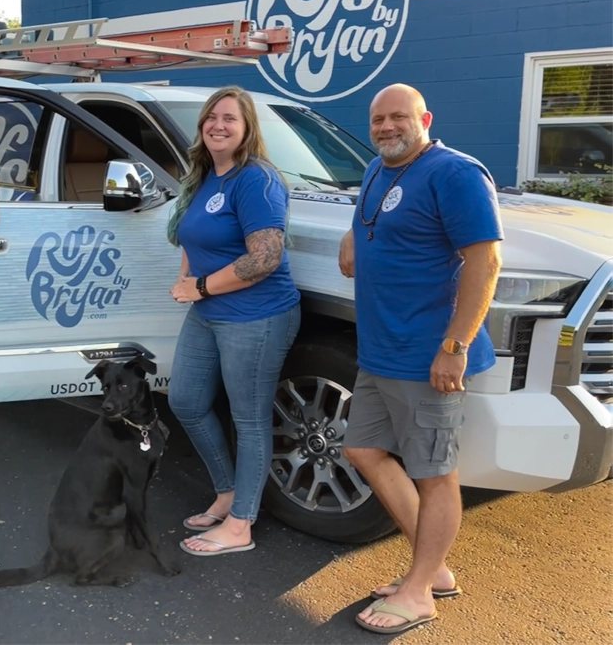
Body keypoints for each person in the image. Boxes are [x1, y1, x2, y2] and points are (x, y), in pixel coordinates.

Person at [339, 84, 503, 635]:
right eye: (378, 119)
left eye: (398, 117)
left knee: (435, 474)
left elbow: (486, 263)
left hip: (428, 355)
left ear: (424, 118)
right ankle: (432, 570)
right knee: (362, 449)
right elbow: (365, 234)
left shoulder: (455, 173)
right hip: (380, 350)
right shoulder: (376, 169)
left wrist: (453, 347)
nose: (387, 127)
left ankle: (419, 592)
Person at [166, 85, 301, 557]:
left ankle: (241, 523)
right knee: (184, 399)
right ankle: (227, 493)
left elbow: (265, 257)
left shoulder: (255, 179)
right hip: (209, 312)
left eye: (231, 119)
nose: (219, 125)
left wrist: (200, 287)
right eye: (213, 117)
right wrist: (188, 272)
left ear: (247, 131)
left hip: (256, 316)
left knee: (249, 418)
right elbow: (192, 232)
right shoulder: (206, 175)